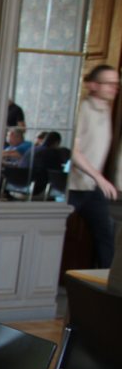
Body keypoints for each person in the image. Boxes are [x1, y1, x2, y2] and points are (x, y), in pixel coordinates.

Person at [68, 64, 120, 268]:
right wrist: (99, 177)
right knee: (52, 231)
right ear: (93, 85)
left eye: (116, 84)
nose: (114, 88)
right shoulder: (82, 110)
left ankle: (108, 282)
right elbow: (74, 150)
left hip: (91, 188)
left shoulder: (105, 110)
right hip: (72, 187)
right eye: (109, 83)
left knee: (106, 237)